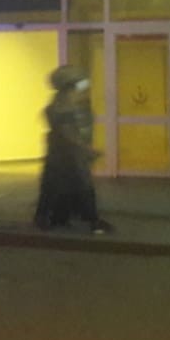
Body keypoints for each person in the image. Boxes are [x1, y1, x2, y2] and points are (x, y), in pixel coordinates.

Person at [34, 65, 113, 234]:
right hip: (65, 156)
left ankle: (57, 218)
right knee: (77, 186)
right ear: (69, 88)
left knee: (58, 187)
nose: (81, 91)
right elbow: (68, 133)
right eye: (78, 86)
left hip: (63, 155)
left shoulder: (62, 106)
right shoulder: (62, 108)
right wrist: (86, 149)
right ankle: (90, 221)